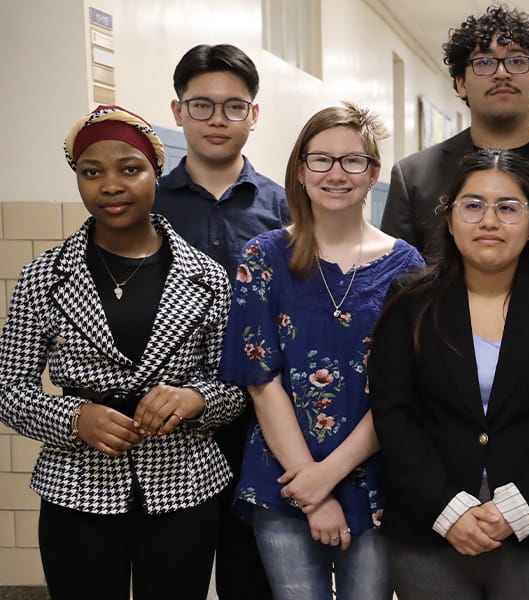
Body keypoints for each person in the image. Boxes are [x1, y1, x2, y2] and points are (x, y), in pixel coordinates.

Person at [0, 105, 244, 599]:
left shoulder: (207, 276)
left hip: (183, 487)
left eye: (130, 169)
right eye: (91, 173)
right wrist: (74, 418)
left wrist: (196, 399)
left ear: (157, 173)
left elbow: (237, 388)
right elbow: (9, 390)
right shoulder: (43, 277)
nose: (110, 186)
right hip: (76, 488)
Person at [368, 149, 529, 599]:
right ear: (449, 219)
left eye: (508, 208)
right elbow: (394, 413)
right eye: (473, 205)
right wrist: (447, 509)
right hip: (430, 531)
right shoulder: (410, 301)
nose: (489, 221)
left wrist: (515, 509)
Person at [220, 103, 422, 599]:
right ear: (300, 170)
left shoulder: (407, 267)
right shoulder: (263, 257)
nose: (336, 173)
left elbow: (402, 391)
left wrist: (326, 477)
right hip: (283, 477)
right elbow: (261, 381)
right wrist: (311, 491)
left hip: (375, 482)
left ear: (373, 172)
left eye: (352, 161)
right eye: (321, 159)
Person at [380, 4, 529, 320]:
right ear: (460, 83)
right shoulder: (414, 177)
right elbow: (399, 289)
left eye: (517, 61)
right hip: (441, 344)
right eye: (484, 62)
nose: (502, 72)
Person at [152, 42, 289, 600]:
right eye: (201, 105)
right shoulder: (149, 206)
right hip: (170, 422)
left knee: (250, 573)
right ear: (178, 111)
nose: (217, 119)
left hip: (262, 418)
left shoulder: (284, 208)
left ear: (253, 115)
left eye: (234, 107)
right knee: (173, 573)